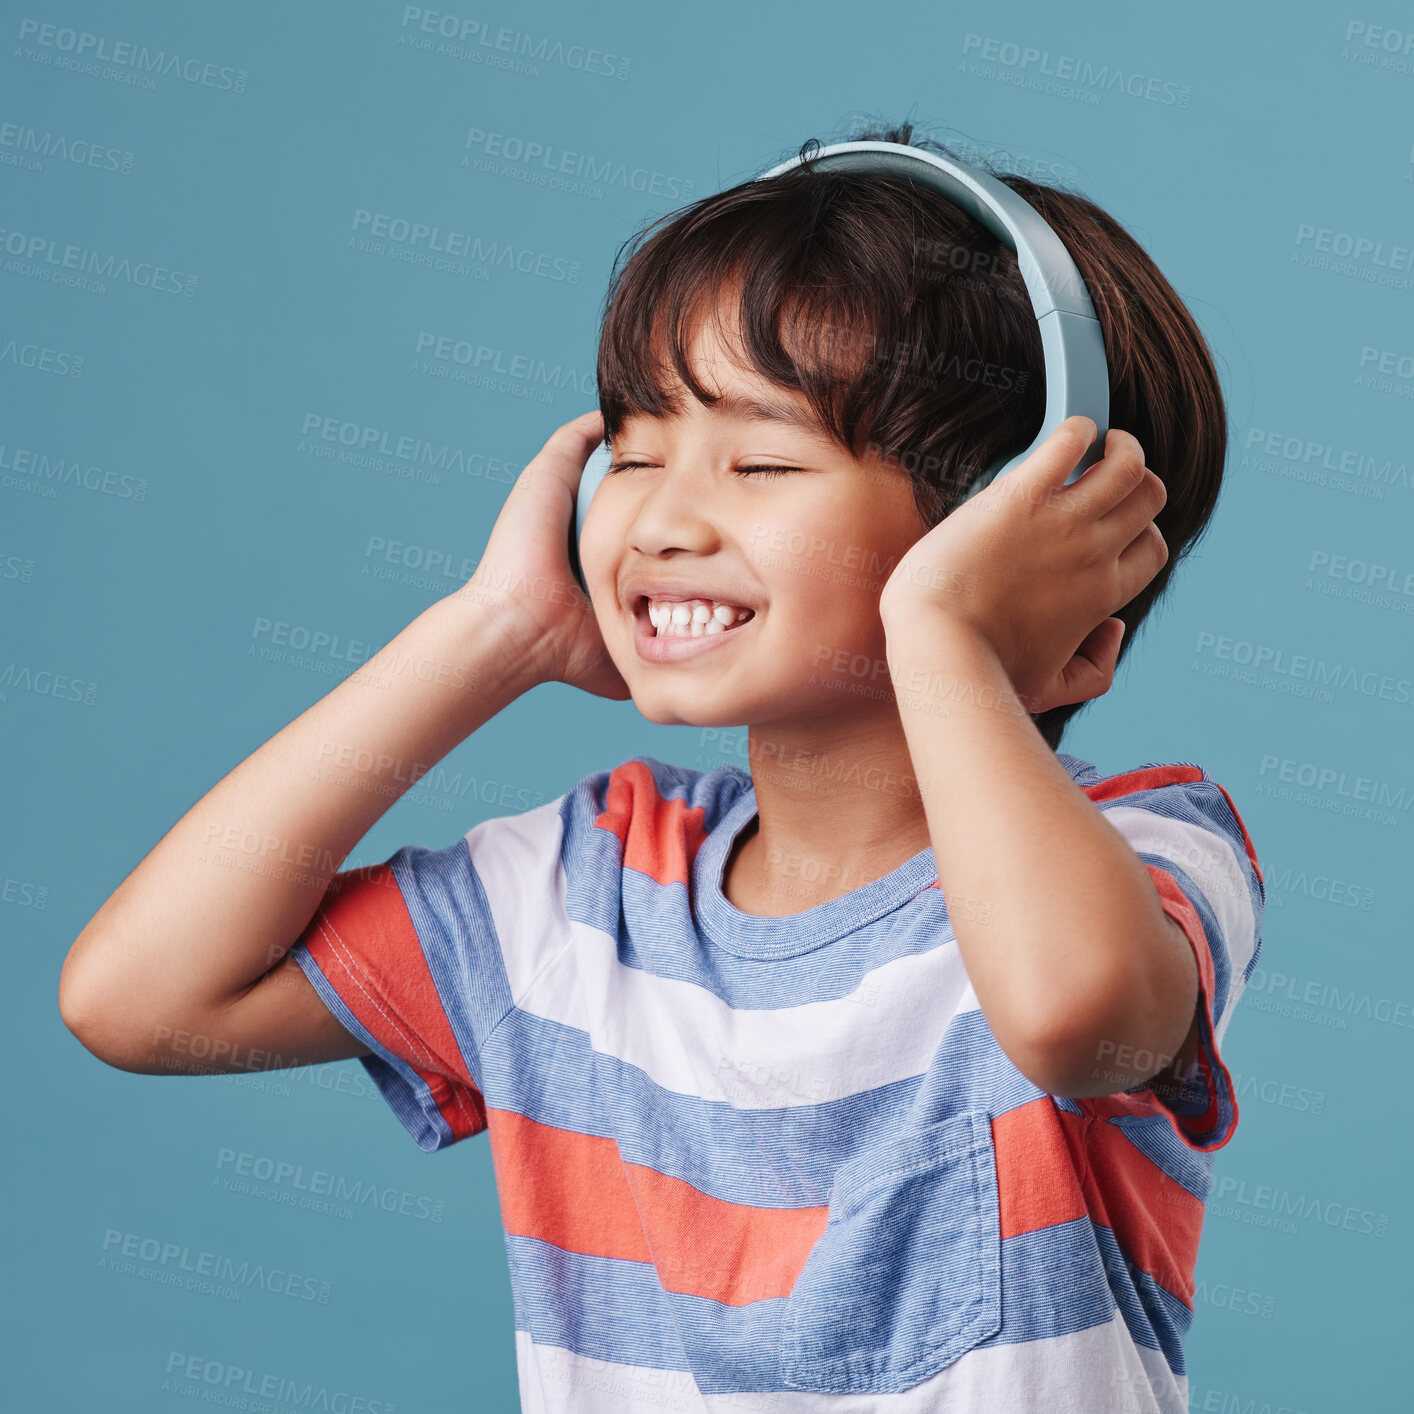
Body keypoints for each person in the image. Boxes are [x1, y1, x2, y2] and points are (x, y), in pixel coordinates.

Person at [59, 119, 1266, 1413]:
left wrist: (944, 636)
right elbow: (137, 999)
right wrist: (486, 634)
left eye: (758, 460)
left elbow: (1073, 1014)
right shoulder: (576, 894)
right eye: (634, 451)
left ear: (1056, 578)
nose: (664, 514)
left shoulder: (1150, 850)